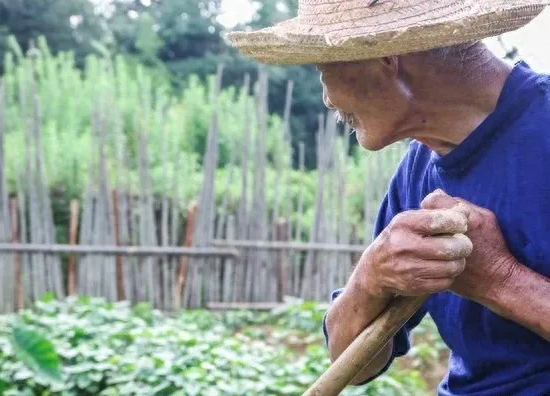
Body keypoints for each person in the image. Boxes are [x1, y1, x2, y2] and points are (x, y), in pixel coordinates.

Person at [227, 1, 550, 395]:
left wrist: (500, 279)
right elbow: (356, 365)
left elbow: (496, 279)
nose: (327, 97)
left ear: (385, 57)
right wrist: (370, 279)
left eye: (323, 65)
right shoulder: (417, 173)